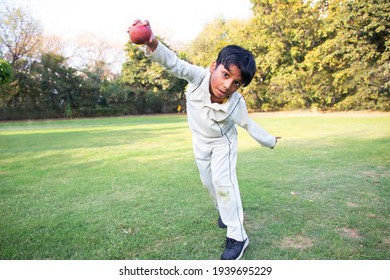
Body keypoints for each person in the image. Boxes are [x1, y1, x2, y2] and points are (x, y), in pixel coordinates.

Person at [128, 20, 280, 260]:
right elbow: (174, 63)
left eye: (236, 83)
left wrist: (270, 140)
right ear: (213, 67)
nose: (227, 85)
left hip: (223, 144)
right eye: (225, 75)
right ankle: (224, 212)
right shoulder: (198, 77)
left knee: (224, 183)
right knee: (209, 182)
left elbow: (249, 125)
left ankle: (238, 236)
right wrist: (152, 42)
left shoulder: (237, 103)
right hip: (200, 141)